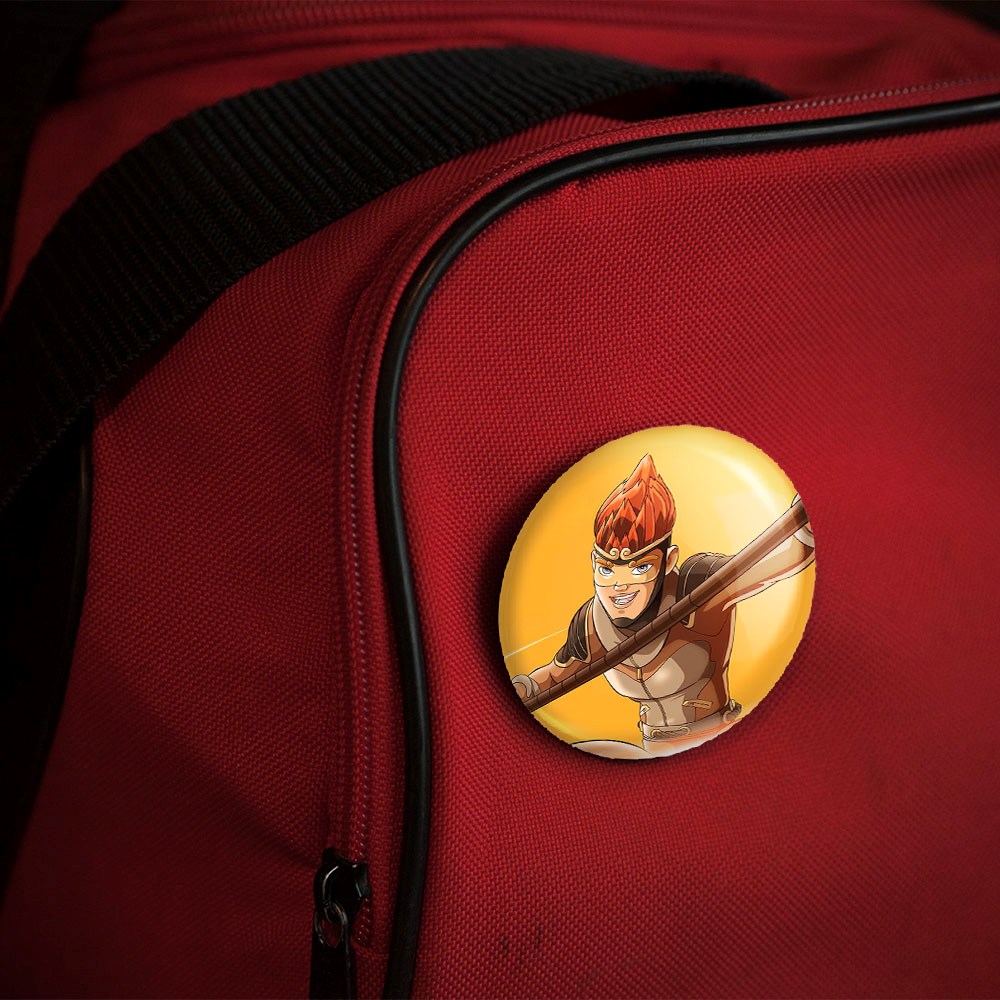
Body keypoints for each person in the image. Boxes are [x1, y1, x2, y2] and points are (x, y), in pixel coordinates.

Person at [511, 454, 815, 757]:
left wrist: (807, 527)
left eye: (640, 568)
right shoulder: (591, 622)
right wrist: (523, 688)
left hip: (719, 742)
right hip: (651, 749)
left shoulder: (696, 586)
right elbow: (553, 677)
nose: (619, 585)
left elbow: (779, 561)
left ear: (668, 561)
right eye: (606, 569)